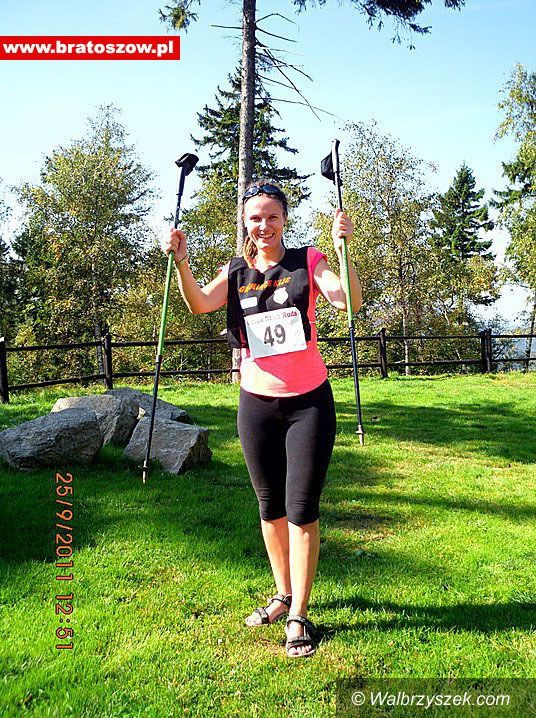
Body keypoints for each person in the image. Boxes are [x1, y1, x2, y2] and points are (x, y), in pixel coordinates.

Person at [162, 181, 362, 657]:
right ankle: (283, 594)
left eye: (272, 216)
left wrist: (345, 249)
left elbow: (347, 301)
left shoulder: (308, 260)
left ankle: (299, 614)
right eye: (255, 217)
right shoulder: (236, 270)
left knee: (301, 508)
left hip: (308, 404)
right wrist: (182, 261)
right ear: (245, 222)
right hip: (256, 404)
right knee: (270, 507)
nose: (264, 225)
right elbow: (199, 303)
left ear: (284, 220)